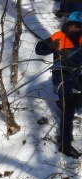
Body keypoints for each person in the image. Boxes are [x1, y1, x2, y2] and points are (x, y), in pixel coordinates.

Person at [36, 12, 82, 158]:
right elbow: (39, 49)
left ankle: (75, 101)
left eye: (78, 26)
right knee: (68, 104)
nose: (74, 28)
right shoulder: (59, 36)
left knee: (72, 101)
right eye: (72, 25)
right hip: (61, 75)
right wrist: (50, 45)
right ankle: (65, 143)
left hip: (77, 75)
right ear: (67, 25)